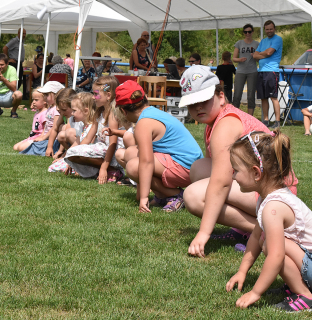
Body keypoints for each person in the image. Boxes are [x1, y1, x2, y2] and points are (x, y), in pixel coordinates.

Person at [178, 65, 298, 257]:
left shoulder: (225, 125)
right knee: (199, 169)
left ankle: (267, 231)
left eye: (203, 99)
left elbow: (221, 183)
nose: (198, 107)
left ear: (221, 96)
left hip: (278, 195)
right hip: (270, 188)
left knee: (192, 196)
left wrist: (203, 232)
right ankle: (255, 228)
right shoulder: (216, 121)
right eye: (192, 103)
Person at [226, 131, 312, 312]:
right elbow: (255, 236)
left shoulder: (273, 207)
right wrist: (242, 271)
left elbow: (276, 256)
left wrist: (256, 292)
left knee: (270, 246)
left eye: (236, 170)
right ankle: (294, 282)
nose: (233, 176)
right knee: (264, 239)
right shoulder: (267, 198)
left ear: (256, 173)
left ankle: (305, 295)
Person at [116, 80, 203, 213]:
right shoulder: (153, 113)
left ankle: (176, 195)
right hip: (194, 165)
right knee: (129, 153)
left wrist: (143, 197)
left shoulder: (144, 123)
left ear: (123, 111)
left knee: (133, 166)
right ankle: (162, 195)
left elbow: (146, 162)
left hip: (186, 168)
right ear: (145, 98)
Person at [64, 76, 124, 183]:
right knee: (72, 152)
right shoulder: (99, 112)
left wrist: (103, 168)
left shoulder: (112, 114)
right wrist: (73, 158)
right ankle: (105, 170)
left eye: (96, 94)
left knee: (74, 152)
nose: (93, 97)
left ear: (108, 95)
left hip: (112, 153)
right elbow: (88, 137)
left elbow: (112, 144)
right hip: (101, 149)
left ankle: (111, 170)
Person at [49, 92, 96, 173]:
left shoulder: (92, 126)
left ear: (85, 111)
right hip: (81, 154)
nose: (72, 113)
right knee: (53, 167)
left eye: (74, 111)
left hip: (88, 157)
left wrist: (76, 162)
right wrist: (64, 157)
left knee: (60, 167)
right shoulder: (82, 125)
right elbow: (76, 144)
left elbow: (88, 147)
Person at [20, 81, 64, 156]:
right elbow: (46, 126)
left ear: (56, 95)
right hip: (46, 139)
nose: (44, 98)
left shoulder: (57, 110)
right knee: (23, 148)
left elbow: (54, 127)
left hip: (53, 140)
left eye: (47, 95)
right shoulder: (50, 108)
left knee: (25, 148)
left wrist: (43, 138)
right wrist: (41, 137)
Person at [253, 20, 283, 128]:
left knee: (273, 97)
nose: (269, 31)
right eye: (267, 29)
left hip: (271, 71)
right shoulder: (263, 41)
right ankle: (266, 120)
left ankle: (277, 121)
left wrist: (263, 53)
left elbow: (270, 52)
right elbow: (255, 56)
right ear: (265, 30)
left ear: (274, 29)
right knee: (263, 97)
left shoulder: (278, 39)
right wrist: (264, 54)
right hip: (261, 71)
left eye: (271, 29)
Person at [232, 24, 259, 115]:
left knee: (251, 95)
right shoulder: (239, 43)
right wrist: (240, 59)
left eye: (249, 32)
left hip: (252, 71)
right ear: (243, 33)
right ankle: (235, 115)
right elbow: (234, 58)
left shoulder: (256, 44)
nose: (247, 33)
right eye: (245, 32)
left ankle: (250, 117)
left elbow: (259, 58)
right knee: (237, 94)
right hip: (240, 71)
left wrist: (255, 56)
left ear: (252, 32)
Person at [45, 88, 77, 159]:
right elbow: (55, 129)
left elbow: (67, 133)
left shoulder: (74, 116)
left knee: (64, 129)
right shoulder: (65, 114)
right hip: (72, 141)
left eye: (64, 109)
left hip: (80, 141)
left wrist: (61, 153)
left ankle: (70, 154)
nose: (58, 110)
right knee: (62, 130)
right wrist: (49, 147)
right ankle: (69, 152)